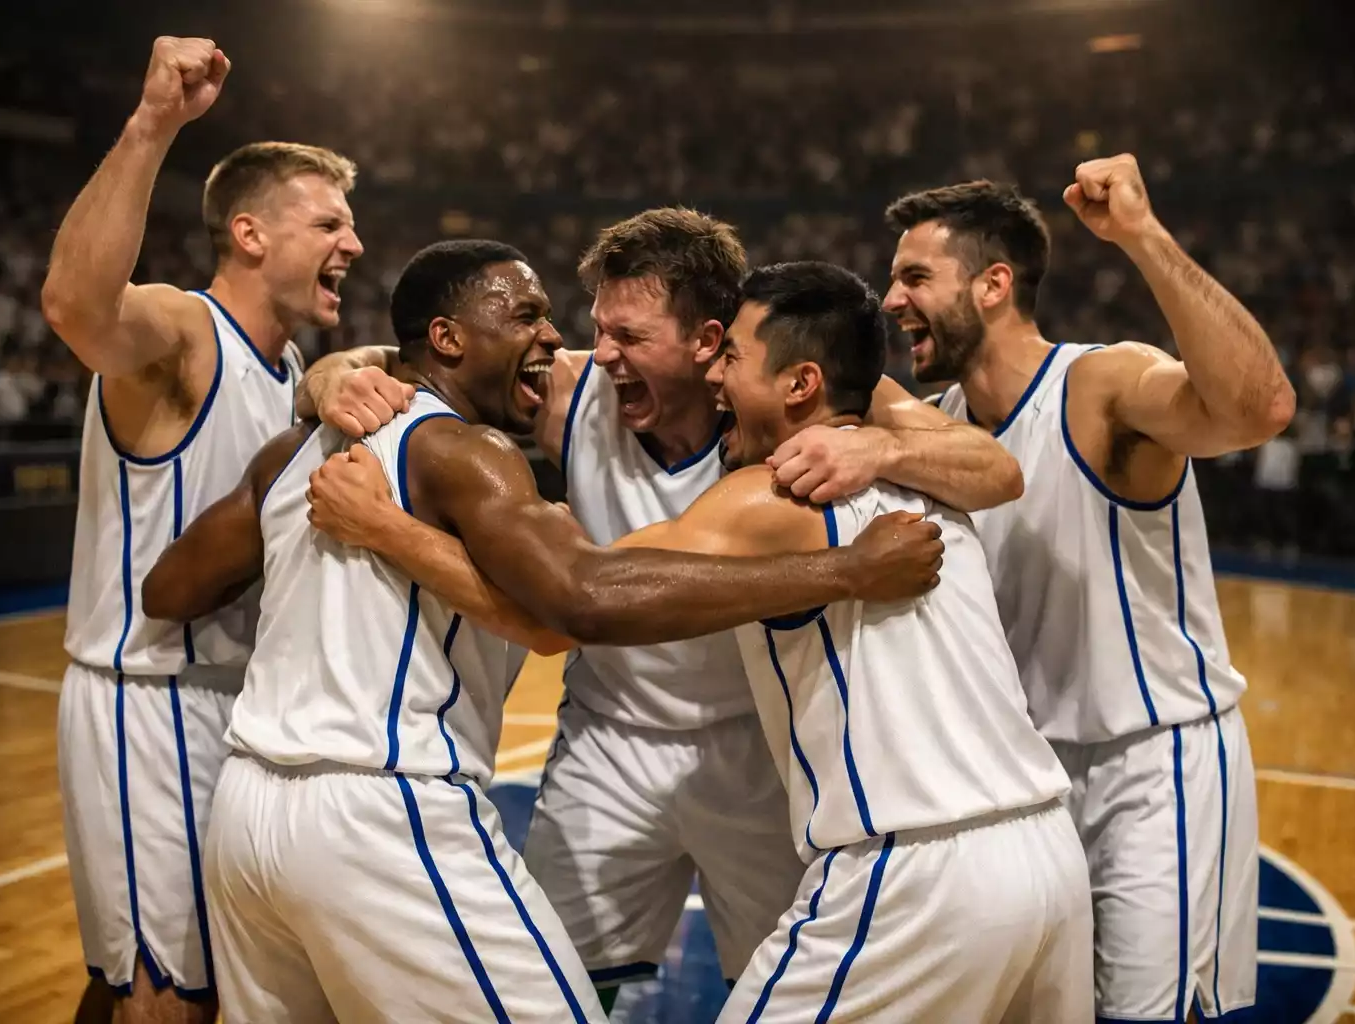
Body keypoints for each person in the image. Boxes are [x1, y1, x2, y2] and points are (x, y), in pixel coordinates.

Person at [140, 240, 944, 1023]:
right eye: (565, 323)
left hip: (249, 806)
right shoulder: (508, 430)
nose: (580, 348)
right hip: (445, 781)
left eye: (626, 335)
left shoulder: (294, 454)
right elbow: (565, 609)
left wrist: (339, 423)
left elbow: (169, 588)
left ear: (710, 346)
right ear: (453, 338)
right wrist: (341, 379)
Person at [304, 260, 1095, 1022]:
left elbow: (584, 598)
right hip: (1043, 848)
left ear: (792, 379)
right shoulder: (923, 478)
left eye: (731, 358)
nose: (717, 376)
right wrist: (332, 372)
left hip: (912, 863)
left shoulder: (773, 486)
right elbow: (417, 355)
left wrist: (388, 528)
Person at [771, 157, 1296, 1020]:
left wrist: (1140, 234)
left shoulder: (1102, 385)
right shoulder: (940, 429)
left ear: (993, 285)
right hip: (1029, 790)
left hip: (1151, 763)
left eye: (914, 277)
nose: (891, 299)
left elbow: (1259, 410)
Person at [39, 35, 410, 1021]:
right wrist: (156, 118)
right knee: (166, 1002)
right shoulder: (184, 332)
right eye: (331, 220)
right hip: (148, 701)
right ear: (250, 233)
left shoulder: (289, 376)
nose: (356, 243)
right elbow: (77, 307)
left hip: (231, 714)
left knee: (156, 986)